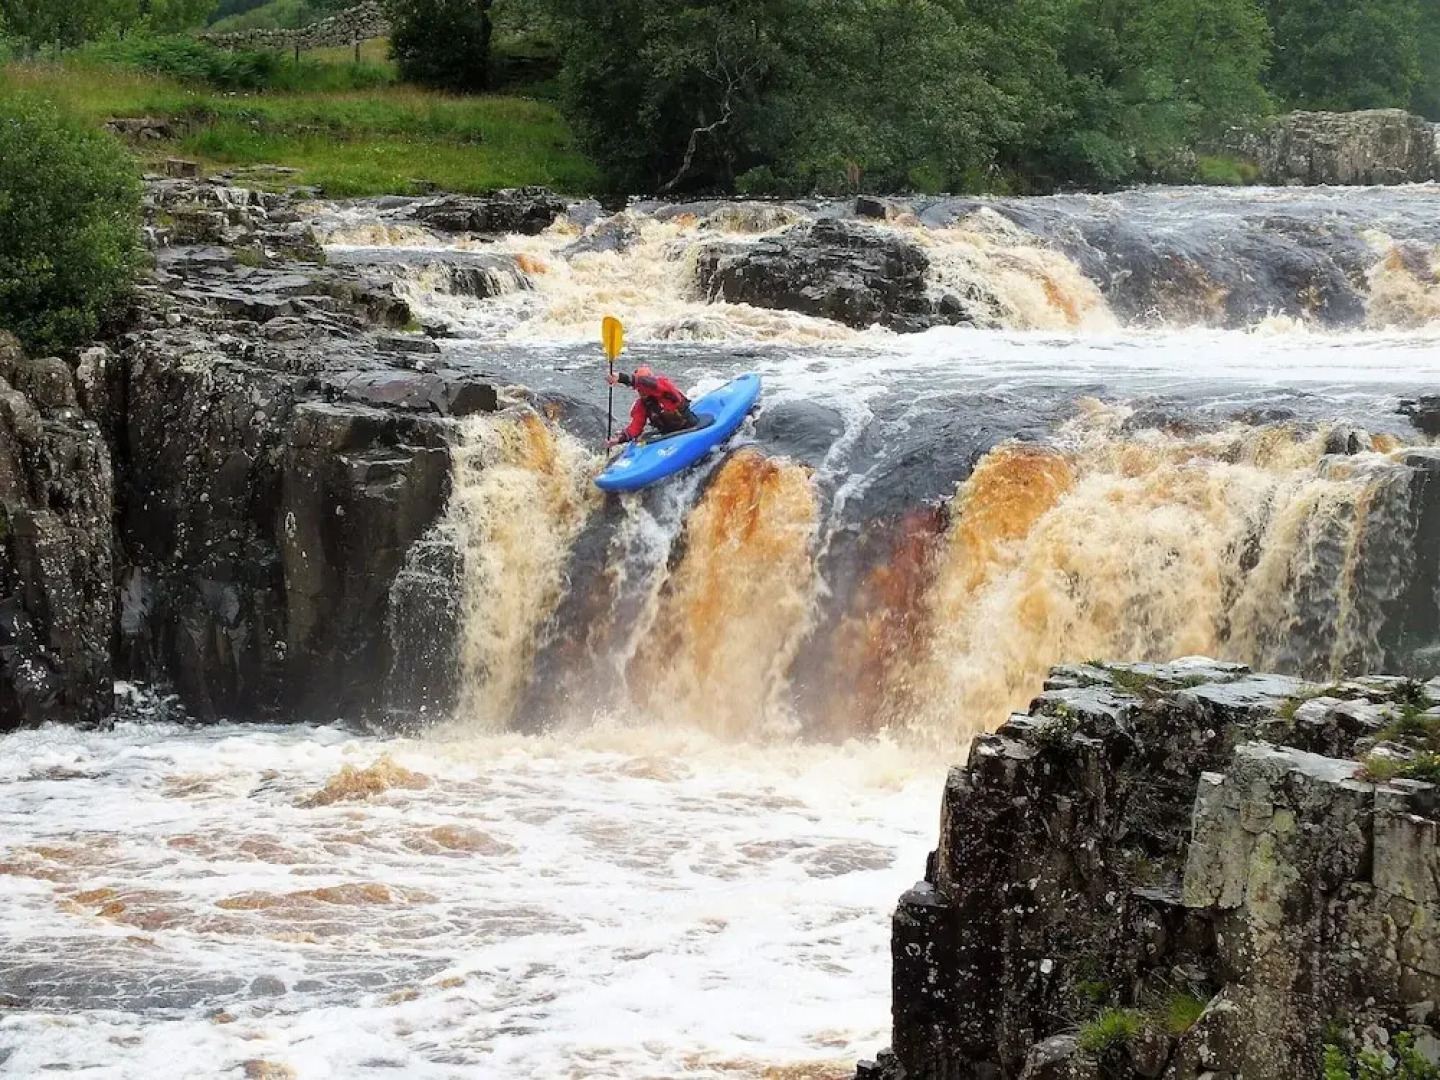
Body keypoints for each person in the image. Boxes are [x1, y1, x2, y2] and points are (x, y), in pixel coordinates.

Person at [606, 365, 700, 448]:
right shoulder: (642, 405)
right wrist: (620, 439)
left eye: (641, 387)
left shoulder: (664, 387)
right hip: (668, 437)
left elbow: (650, 384)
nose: (640, 391)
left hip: (689, 429)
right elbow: (636, 427)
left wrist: (622, 378)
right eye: (638, 389)